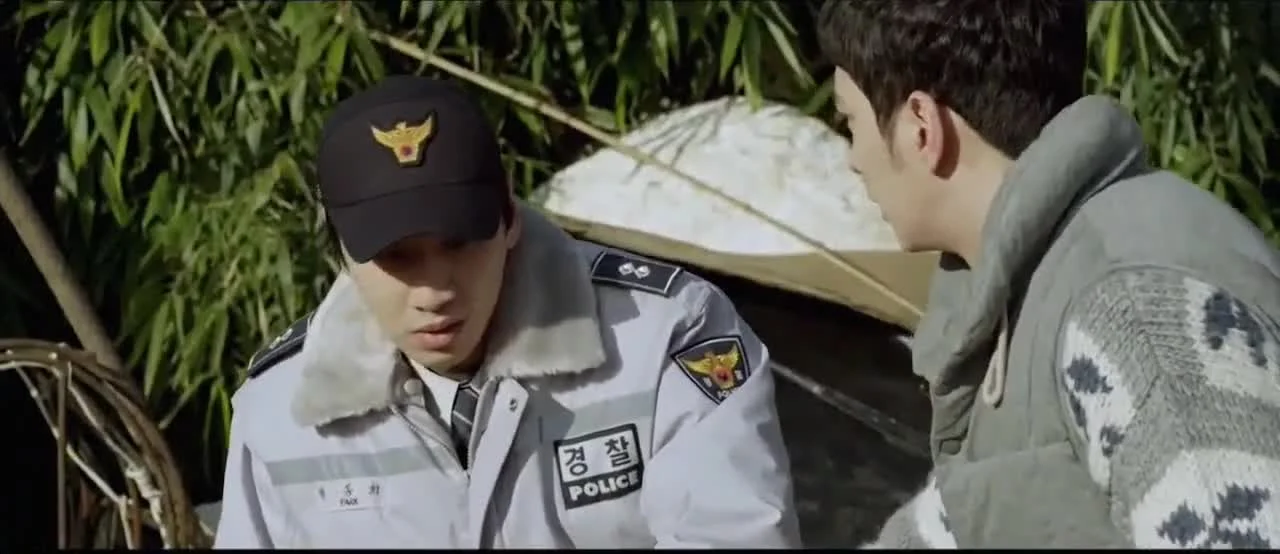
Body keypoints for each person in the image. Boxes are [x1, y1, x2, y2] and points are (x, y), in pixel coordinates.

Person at [211, 76, 801, 548]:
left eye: (459, 242)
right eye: (396, 257)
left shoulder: (664, 339)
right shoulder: (279, 418)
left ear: (509, 218)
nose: (434, 290)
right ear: (339, 253)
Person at [817, 0, 1280, 548]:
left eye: (851, 122)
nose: (852, 158)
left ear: (922, 127)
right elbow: (972, 513)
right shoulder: (1029, 296)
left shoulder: (1135, 310)